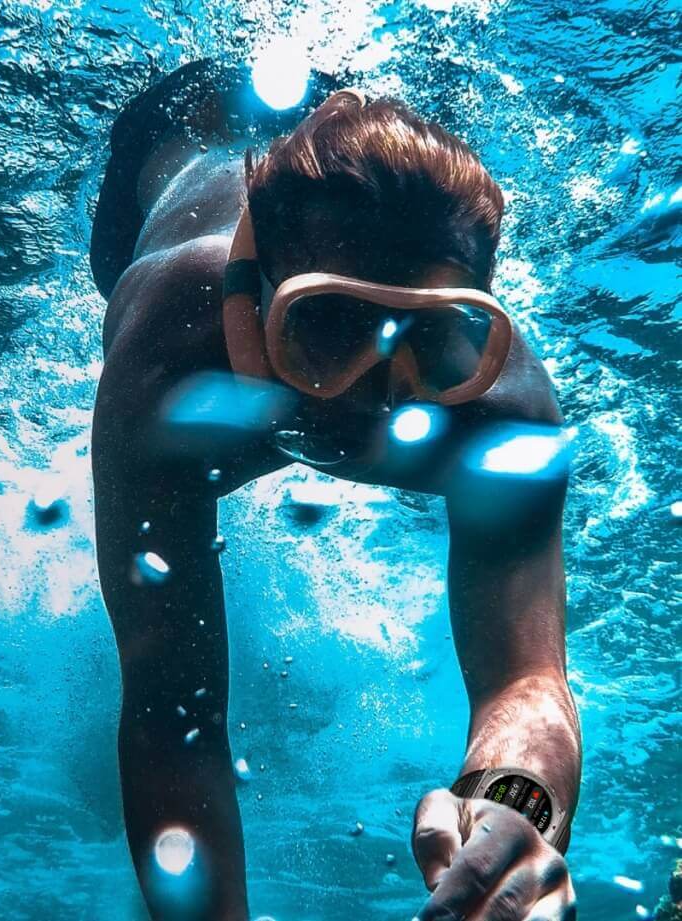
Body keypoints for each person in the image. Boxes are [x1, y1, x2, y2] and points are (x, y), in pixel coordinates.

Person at [90, 58, 582, 921]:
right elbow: (170, 715)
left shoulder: (503, 409)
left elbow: (528, 678)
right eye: (326, 326)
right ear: (248, 298)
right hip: (165, 141)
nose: (376, 401)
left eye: (428, 339)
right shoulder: (168, 356)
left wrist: (516, 805)